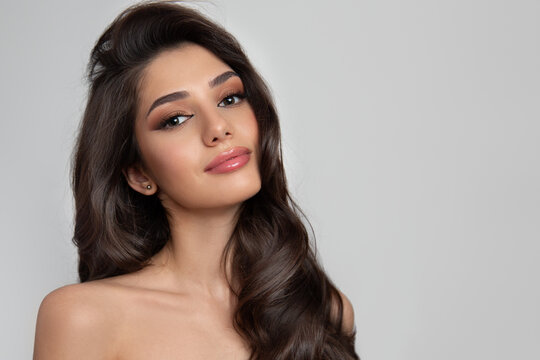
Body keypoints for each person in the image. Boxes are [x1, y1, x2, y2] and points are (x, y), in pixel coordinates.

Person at [33, 1, 359, 359]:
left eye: (229, 98)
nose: (218, 127)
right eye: (175, 119)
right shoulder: (83, 318)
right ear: (140, 173)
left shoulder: (322, 311)